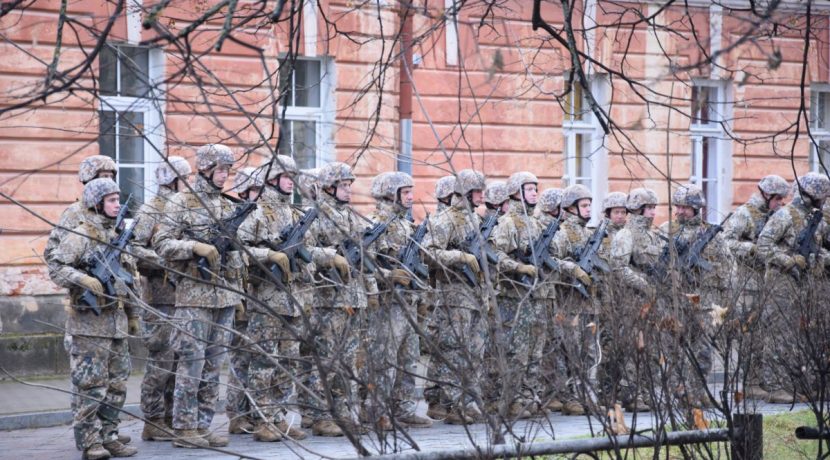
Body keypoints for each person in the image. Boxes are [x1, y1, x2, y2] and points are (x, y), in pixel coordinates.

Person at [152, 144, 244, 448]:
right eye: (219, 169)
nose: (224, 176)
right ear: (204, 169)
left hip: (225, 296)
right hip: (194, 296)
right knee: (192, 361)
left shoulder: (228, 205)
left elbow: (238, 253)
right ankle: (184, 426)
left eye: (227, 170)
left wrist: (239, 290)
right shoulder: (182, 202)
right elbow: (162, 244)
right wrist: (194, 248)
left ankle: (203, 425)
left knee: (213, 364)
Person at [50, 178, 138, 460]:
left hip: (116, 323)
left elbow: (130, 280)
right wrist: (83, 279)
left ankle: (109, 435)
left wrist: (134, 315)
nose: (116, 205)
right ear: (96, 203)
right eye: (111, 200)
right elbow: (56, 267)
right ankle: (90, 442)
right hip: (88, 324)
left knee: (118, 384)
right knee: (91, 387)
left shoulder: (118, 235)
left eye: (117, 199)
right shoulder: (80, 234)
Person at [305, 161, 372, 437]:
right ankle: (320, 414)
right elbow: (304, 248)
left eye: (349, 186)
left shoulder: (353, 217)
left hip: (353, 298)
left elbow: (363, 258)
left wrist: (369, 287)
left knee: (349, 361)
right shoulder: (316, 215)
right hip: (328, 298)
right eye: (343, 186)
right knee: (327, 359)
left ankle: (343, 413)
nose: (348, 191)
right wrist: (329, 256)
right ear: (329, 187)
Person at [363, 171, 434, 429]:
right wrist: (389, 274)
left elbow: (419, 263)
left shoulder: (406, 225)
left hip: (409, 301)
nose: (411, 197)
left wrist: (422, 294)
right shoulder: (374, 224)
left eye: (410, 192)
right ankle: (377, 410)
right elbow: (364, 263)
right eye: (405, 193)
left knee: (409, 357)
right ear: (389, 194)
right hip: (386, 301)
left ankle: (403, 408)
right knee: (385, 358)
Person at [131, 156, 192, 441]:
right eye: (185, 177)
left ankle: (170, 416)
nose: (189, 183)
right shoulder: (151, 211)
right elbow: (132, 248)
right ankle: (153, 419)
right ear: (173, 179)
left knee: (180, 361)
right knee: (161, 361)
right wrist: (164, 259)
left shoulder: (184, 208)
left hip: (185, 297)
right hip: (159, 298)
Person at [423, 169, 490, 424]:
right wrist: (460, 257)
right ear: (465, 192)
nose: (482, 197)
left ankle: (465, 399)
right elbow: (428, 253)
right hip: (454, 296)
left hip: (476, 296)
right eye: (477, 192)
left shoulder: (477, 220)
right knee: (454, 351)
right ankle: (452, 404)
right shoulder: (446, 220)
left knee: (475, 351)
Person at [721, 175, 789, 401]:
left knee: (763, 332)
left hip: (769, 279)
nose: (780, 203)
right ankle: (749, 382)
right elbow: (726, 242)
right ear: (766, 194)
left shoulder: (776, 216)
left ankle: (760, 380)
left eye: (782, 199)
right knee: (749, 331)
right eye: (777, 198)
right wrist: (751, 249)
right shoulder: (744, 214)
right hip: (748, 280)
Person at [488, 171, 544, 418]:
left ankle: (526, 397)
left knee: (532, 352)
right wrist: (519, 267)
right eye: (530, 189)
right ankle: (510, 400)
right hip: (511, 295)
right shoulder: (508, 222)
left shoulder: (536, 223)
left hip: (531, 295)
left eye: (535, 189)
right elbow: (496, 255)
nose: (534, 193)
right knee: (515, 352)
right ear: (516, 193)